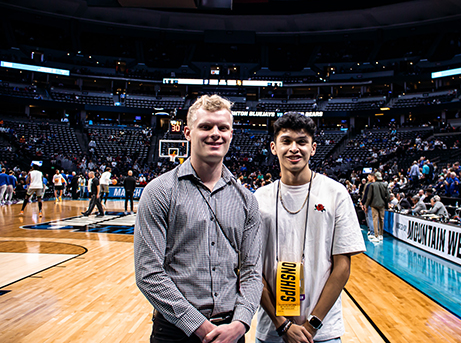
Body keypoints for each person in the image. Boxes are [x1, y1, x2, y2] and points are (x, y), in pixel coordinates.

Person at [134, 95, 263, 343]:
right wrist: (199, 326)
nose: (215, 133)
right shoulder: (159, 192)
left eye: (223, 128)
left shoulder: (247, 200)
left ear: (231, 134)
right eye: (205, 126)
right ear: (188, 133)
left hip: (231, 332)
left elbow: (252, 271)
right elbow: (148, 273)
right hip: (175, 331)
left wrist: (240, 323)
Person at [254, 112, 365, 343]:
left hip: (322, 334)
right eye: (286, 141)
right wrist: (282, 324)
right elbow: (252, 269)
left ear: (313, 148)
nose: (294, 148)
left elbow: (342, 266)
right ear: (274, 147)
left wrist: (313, 324)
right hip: (271, 332)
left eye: (302, 142)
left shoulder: (336, 194)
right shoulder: (258, 198)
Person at [365, 171, 389, 242]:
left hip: (374, 205)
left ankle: (376, 235)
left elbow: (369, 197)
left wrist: (366, 205)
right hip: (382, 205)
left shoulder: (372, 185)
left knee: (375, 219)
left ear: (375, 177)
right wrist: (386, 204)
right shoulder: (385, 185)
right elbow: (387, 196)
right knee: (381, 219)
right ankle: (381, 234)